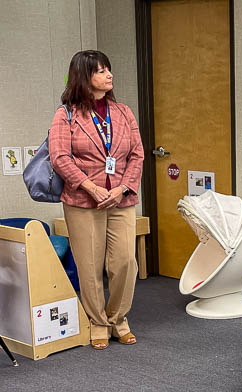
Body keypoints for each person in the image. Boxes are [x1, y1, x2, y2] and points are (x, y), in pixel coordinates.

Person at [49, 50, 144, 350]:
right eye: (101, 71)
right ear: (83, 76)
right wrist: (91, 187)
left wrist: (122, 188)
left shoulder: (124, 112)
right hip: (82, 200)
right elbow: (60, 158)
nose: (109, 75)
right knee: (89, 266)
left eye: (108, 69)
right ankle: (97, 322)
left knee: (126, 262)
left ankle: (118, 318)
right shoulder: (66, 115)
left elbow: (137, 155)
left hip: (121, 199)